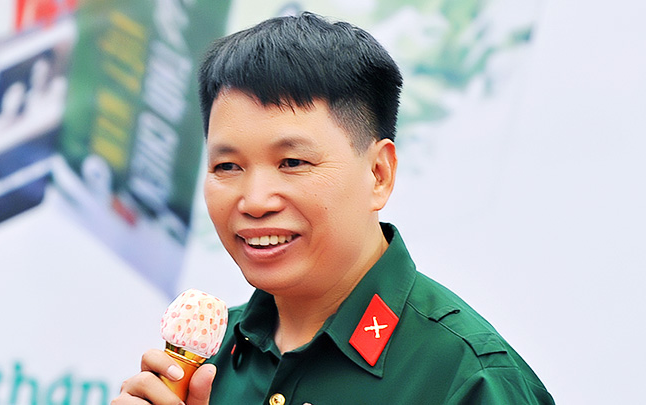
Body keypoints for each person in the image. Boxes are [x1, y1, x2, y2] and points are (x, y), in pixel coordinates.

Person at [113, 12, 554, 405]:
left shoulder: (467, 378)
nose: (255, 201)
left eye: (292, 162)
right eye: (227, 166)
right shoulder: (210, 359)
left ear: (378, 174)